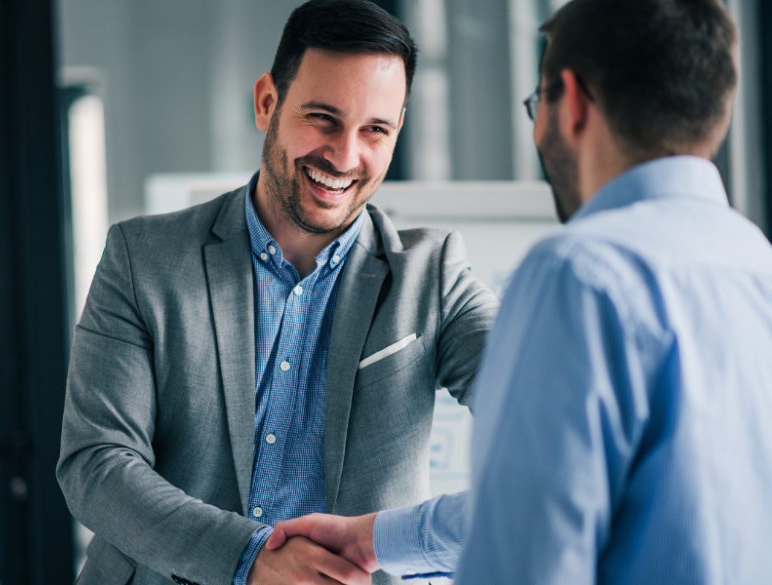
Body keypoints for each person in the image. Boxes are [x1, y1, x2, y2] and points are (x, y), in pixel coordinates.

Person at [267, 0, 772, 583]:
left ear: (574, 102)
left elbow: (526, 554)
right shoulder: (755, 264)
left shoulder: (580, 274)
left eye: (538, 103)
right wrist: (376, 538)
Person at [55, 1, 498, 584]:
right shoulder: (143, 259)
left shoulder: (433, 276)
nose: (344, 156)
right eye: (323, 118)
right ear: (268, 102)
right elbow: (97, 464)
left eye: (375, 130)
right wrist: (250, 558)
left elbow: (551, 418)